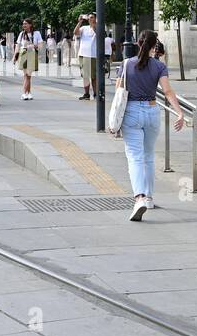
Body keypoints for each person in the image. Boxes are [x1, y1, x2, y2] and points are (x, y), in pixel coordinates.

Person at [116, 30, 184, 221]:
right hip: (152, 111)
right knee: (148, 156)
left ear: (138, 44)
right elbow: (168, 91)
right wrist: (179, 112)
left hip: (131, 113)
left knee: (135, 156)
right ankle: (150, 197)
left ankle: (139, 197)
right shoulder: (159, 66)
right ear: (155, 46)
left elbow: (119, 90)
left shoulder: (127, 63)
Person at [14, 18, 43, 100]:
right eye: (23, 24)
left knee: (28, 75)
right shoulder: (21, 34)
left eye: (26, 23)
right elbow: (18, 45)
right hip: (23, 53)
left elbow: (40, 45)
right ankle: (27, 93)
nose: (24, 25)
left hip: (32, 53)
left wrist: (34, 45)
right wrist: (15, 56)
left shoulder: (36, 33)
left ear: (30, 24)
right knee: (26, 75)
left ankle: (25, 93)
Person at [74, 13, 100, 100]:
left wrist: (93, 25)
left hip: (92, 55)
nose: (90, 19)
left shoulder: (98, 27)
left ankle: (96, 94)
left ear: (96, 18)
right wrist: (80, 22)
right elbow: (75, 32)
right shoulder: (84, 28)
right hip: (83, 54)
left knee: (93, 76)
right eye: (89, 18)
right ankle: (86, 94)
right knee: (85, 76)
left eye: (92, 17)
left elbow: (99, 34)